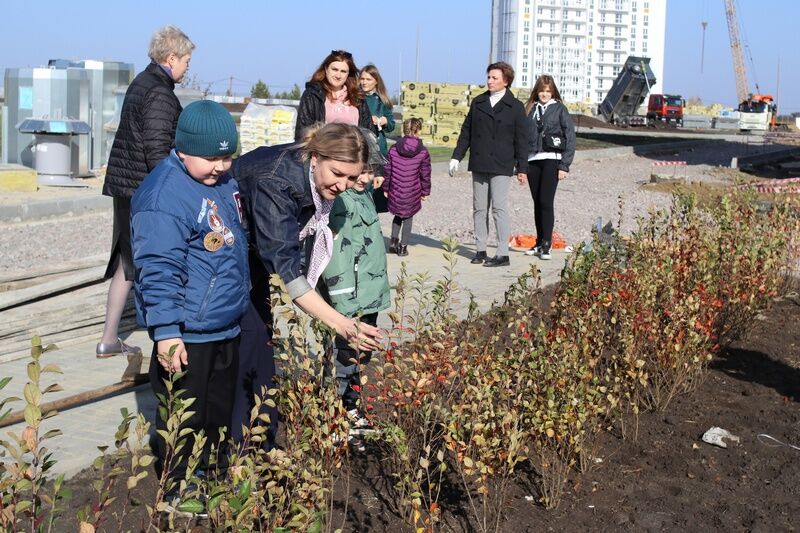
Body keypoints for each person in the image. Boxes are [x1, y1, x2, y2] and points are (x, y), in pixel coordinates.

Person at [229, 123, 382, 446]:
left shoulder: (313, 180)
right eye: (338, 173)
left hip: (252, 255)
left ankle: (257, 445)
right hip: (228, 258)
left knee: (259, 348)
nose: (343, 185)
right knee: (248, 349)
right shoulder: (278, 182)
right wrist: (341, 323)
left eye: (352, 178)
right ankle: (240, 448)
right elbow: (285, 270)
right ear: (316, 156)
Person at [130, 100, 247, 512]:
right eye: (211, 157)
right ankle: (176, 488)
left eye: (227, 156)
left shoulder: (222, 184)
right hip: (186, 334)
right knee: (183, 417)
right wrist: (166, 332)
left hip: (223, 325)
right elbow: (157, 269)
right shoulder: (164, 195)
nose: (220, 165)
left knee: (217, 411)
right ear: (182, 149)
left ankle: (210, 475)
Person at [98, 25, 194, 358]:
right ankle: (160, 335)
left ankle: (108, 339)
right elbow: (157, 150)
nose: (187, 68)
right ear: (172, 58)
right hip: (142, 188)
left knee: (128, 263)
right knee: (149, 261)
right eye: (186, 61)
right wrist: (170, 192)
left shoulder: (143, 83)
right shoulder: (159, 93)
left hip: (127, 184)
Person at [319, 133, 390, 448]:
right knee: (344, 358)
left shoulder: (364, 194)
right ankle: (335, 419)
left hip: (369, 294)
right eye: (360, 172)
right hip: (348, 297)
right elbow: (336, 256)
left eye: (370, 171)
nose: (365, 177)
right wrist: (342, 298)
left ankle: (352, 411)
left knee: (362, 357)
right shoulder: (341, 200)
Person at [449, 62, 529, 267]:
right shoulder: (478, 102)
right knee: (479, 208)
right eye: (488, 77)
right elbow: (466, 132)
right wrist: (456, 156)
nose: (489, 81)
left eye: (494, 78)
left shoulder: (516, 107)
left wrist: (522, 169)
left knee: (499, 208)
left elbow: (522, 140)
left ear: (506, 81)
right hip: (479, 161)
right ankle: (480, 250)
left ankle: (503, 253)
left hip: (502, 164)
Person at [522, 74, 576, 260]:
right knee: (537, 203)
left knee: (546, 201)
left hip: (551, 159)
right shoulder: (529, 109)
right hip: (532, 160)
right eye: (542, 91)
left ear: (552, 92)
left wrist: (564, 165)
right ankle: (538, 242)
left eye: (548, 91)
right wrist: (520, 165)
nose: (544, 94)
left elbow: (570, 137)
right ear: (537, 91)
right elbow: (520, 136)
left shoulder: (560, 109)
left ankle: (547, 243)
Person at [295, 50, 377, 141]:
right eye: (334, 69)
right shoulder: (312, 95)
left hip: (354, 153)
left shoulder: (357, 97)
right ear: (326, 69)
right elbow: (302, 132)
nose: (338, 75)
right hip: (322, 152)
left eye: (343, 71)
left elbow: (369, 132)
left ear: (348, 74)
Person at [383, 118, 432, 256]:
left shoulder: (393, 149)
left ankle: (393, 242)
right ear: (419, 130)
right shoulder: (422, 151)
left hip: (396, 189)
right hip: (412, 191)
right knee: (408, 217)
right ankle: (403, 247)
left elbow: (387, 170)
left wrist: (386, 188)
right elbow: (425, 173)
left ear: (404, 130)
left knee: (398, 215)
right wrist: (425, 191)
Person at [359, 64, 395, 213]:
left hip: (378, 148)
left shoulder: (382, 101)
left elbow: (392, 125)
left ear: (376, 81)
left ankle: (371, 221)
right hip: (359, 146)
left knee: (374, 186)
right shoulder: (356, 98)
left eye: (368, 79)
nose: (364, 82)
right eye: (362, 78)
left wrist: (382, 120)